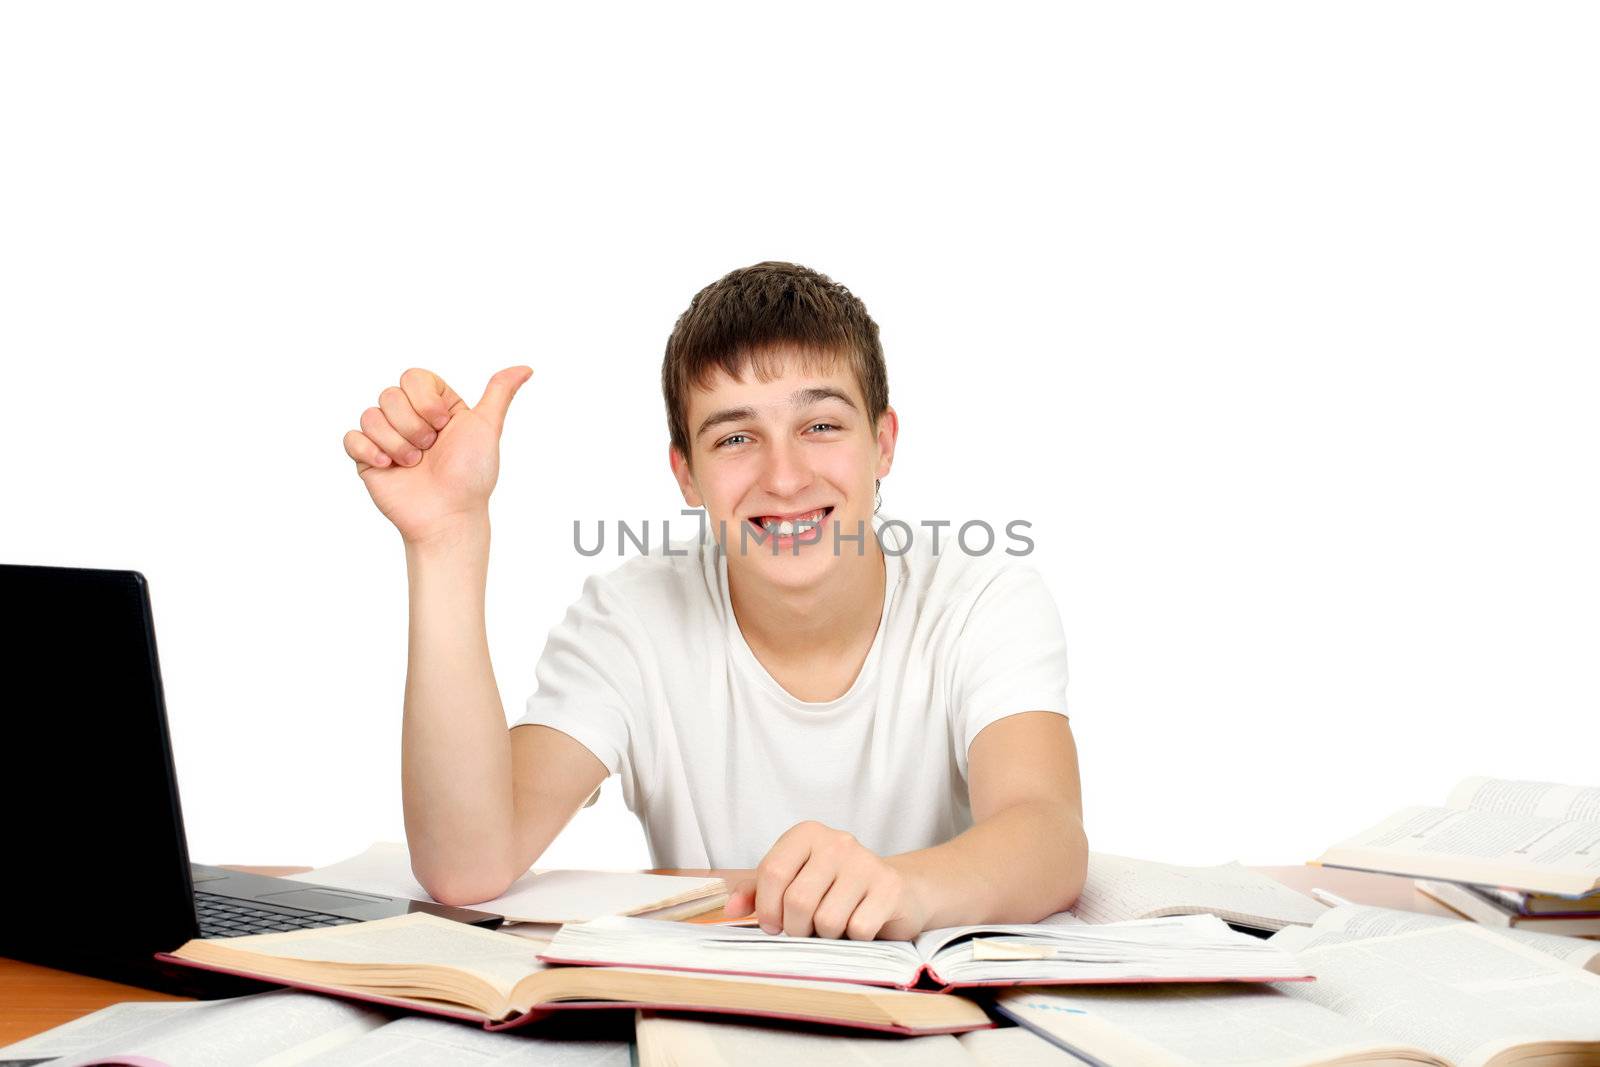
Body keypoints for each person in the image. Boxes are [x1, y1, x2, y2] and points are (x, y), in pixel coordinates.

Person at [342, 262, 1087, 940]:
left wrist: (903, 889)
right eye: (735, 439)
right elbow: (466, 867)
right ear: (687, 475)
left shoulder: (983, 600)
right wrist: (446, 541)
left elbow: (1048, 833)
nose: (785, 477)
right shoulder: (630, 619)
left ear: (883, 444)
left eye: (821, 425)